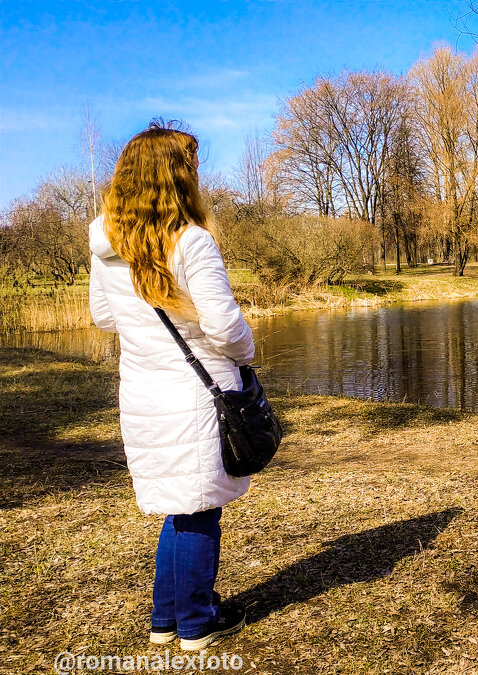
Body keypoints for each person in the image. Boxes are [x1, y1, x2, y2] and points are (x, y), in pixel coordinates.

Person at [89, 121, 256, 651]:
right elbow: (224, 327)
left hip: (142, 392)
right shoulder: (191, 242)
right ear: (174, 177)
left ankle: (166, 620)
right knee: (199, 507)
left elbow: (103, 317)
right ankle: (197, 623)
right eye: (192, 166)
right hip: (196, 397)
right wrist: (248, 354)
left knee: (180, 503)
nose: (198, 176)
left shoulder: (107, 246)